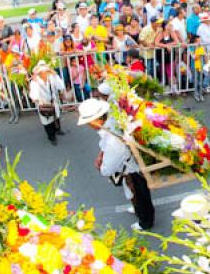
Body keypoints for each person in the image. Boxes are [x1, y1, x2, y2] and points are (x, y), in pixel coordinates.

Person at [78, 99, 154, 231]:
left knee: (140, 195)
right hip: (131, 163)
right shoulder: (111, 121)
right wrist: (101, 154)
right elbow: (105, 146)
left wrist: (100, 166)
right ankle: (138, 209)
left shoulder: (113, 142)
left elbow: (107, 169)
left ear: (95, 121)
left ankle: (145, 222)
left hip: (132, 169)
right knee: (135, 193)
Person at [28, 63, 66, 145]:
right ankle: (51, 137)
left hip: (53, 102)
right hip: (44, 104)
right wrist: (36, 98)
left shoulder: (52, 77)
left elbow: (61, 86)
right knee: (47, 121)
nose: (45, 73)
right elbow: (33, 96)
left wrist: (55, 75)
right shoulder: (34, 82)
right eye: (43, 71)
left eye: (46, 71)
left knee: (56, 116)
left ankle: (57, 130)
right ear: (39, 73)